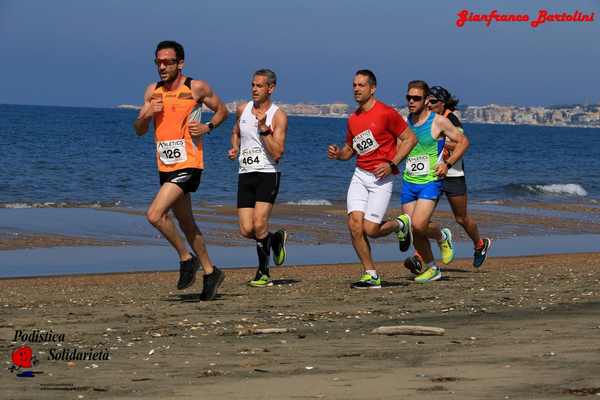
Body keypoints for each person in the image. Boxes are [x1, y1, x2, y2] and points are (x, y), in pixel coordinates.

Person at [133, 40, 228, 300]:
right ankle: (211, 272)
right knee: (187, 223)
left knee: (154, 214)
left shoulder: (195, 87)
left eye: (168, 62)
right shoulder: (152, 91)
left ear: (180, 63)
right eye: (158, 62)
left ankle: (187, 259)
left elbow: (222, 111)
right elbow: (139, 130)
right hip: (165, 166)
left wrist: (208, 127)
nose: (162, 67)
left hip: (189, 164)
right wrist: (145, 114)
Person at [328, 70, 417, 289]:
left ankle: (400, 224)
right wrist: (339, 154)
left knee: (371, 230)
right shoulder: (353, 119)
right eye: (354, 85)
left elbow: (410, 139)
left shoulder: (386, 113)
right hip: (360, 175)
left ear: (372, 88)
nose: (356, 89)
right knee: (354, 225)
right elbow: (350, 150)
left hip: (381, 179)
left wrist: (392, 164)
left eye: (361, 85)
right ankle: (370, 274)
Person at [401, 80, 468, 283]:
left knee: (420, 225)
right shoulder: (407, 122)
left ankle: (442, 237)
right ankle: (431, 268)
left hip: (430, 181)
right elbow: (399, 147)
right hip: (408, 181)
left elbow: (463, 142)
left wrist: (447, 164)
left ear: (426, 100)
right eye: (408, 98)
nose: (411, 102)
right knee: (414, 228)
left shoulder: (438, 121)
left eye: (416, 98)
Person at [228, 69, 288, 287]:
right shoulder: (242, 109)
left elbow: (278, 153)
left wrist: (264, 129)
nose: (254, 89)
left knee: (259, 222)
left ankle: (263, 273)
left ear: (270, 88)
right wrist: (234, 148)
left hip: (267, 174)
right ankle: (274, 239)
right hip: (245, 174)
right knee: (246, 230)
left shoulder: (278, 115)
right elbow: (236, 131)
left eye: (259, 86)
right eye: (253, 85)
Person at [428, 86, 492, 268]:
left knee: (461, 218)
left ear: (442, 103)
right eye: (427, 101)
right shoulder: (427, 119)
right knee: (421, 218)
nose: (429, 105)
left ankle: (480, 244)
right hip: (432, 175)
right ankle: (420, 256)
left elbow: (459, 145)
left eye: (433, 102)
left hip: (453, 174)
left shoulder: (452, 120)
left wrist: (438, 140)